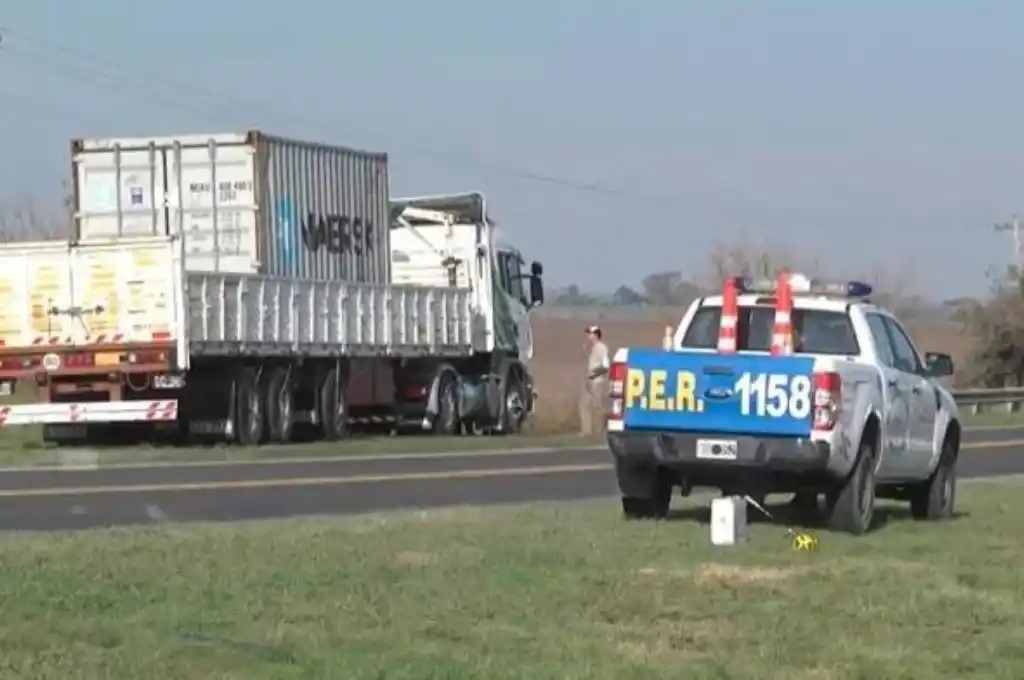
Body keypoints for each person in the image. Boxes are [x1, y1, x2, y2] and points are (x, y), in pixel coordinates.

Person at [578, 325, 610, 436]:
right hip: (591, 380)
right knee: (584, 405)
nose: (588, 336)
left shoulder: (601, 347)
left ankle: (599, 431)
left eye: (590, 333)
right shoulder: (594, 348)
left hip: (597, 382)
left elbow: (605, 366)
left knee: (597, 407)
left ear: (596, 335)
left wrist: (593, 376)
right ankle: (586, 431)